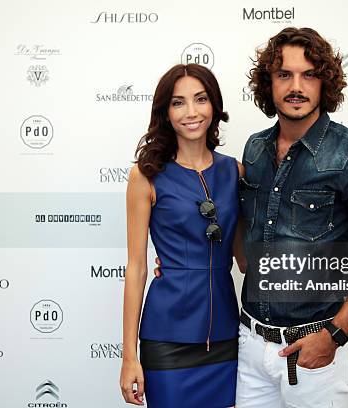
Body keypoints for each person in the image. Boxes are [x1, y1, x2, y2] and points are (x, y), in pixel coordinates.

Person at [235, 27, 348, 407]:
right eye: (284, 74)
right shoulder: (256, 150)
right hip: (250, 346)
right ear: (268, 83)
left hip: (315, 354)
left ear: (325, 82)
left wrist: (333, 337)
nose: (297, 86)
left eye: (309, 74)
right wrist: (188, 261)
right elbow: (244, 243)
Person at [119, 63, 245, 408]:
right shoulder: (145, 176)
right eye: (178, 102)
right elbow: (136, 267)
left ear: (214, 106)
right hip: (166, 337)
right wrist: (129, 356)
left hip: (224, 336)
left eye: (200, 99)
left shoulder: (235, 171)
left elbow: (244, 259)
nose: (191, 112)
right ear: (165, 112)